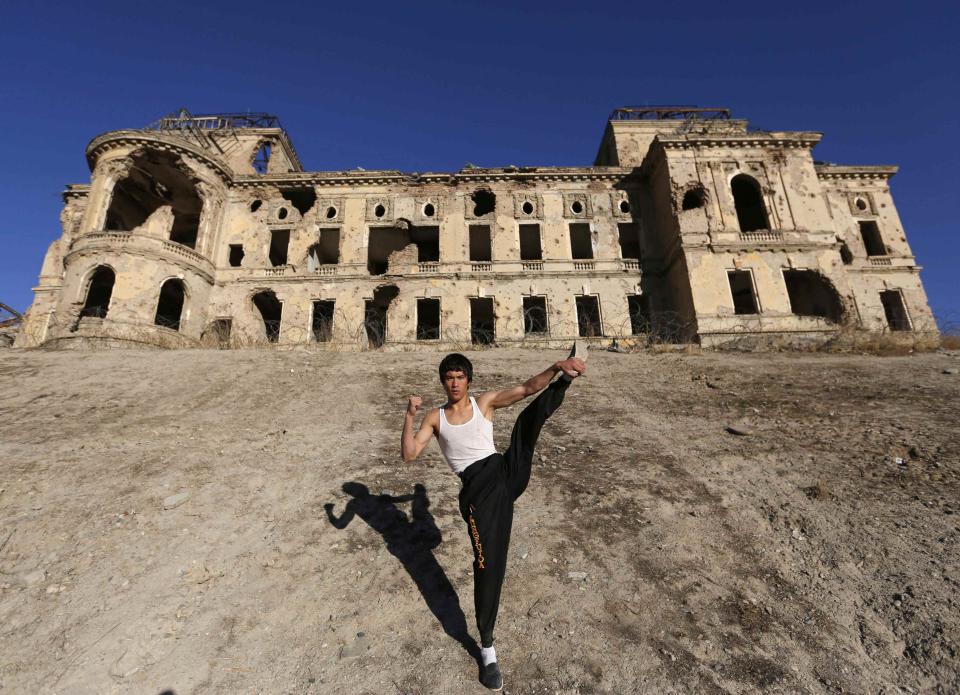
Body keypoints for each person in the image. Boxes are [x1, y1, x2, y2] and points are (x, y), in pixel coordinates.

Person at [400, 343, 587, 690]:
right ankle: (487, 648)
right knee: (489, 566)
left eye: (460, 377)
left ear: (468, 381)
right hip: (477, 495)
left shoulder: (483, 402)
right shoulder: (435, 418)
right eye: (449, 378)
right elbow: (409, 455)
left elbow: (527, 388)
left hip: (504, 472)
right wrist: (410, 415)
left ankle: (567, 379)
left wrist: (555, 367)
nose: (455, 383)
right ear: (443, 382)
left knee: (527, 422)